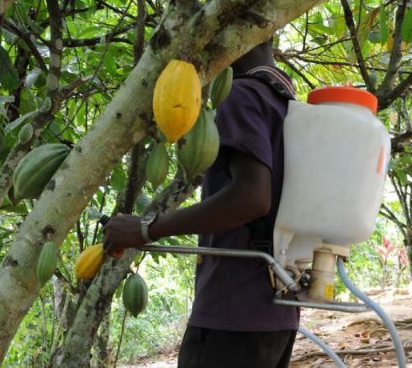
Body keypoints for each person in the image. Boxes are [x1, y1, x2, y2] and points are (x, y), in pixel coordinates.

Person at [103, 40, 300, 368]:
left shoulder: (241, 94)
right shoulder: (284, 100)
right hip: (277, 314)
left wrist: (145, 228)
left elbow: (252, 197)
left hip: (232, 313)